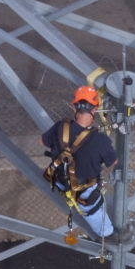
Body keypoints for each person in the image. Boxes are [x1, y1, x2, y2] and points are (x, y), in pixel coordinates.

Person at [41, 86, 117, 237]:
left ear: (74, 106)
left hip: (61, 181)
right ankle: (108, 235)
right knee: (94, 211)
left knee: (89, 199)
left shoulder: (61, 126)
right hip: (83, 191)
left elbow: (41, 141)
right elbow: (113, 162)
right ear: (94, 110)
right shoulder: (100, 140)